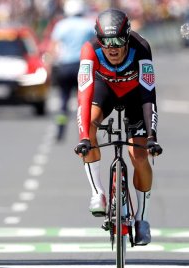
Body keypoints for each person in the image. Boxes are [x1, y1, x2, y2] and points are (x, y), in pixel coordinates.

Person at [74, 9, 163, 246]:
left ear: (127, 36)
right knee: (89, 126)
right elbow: (83, 94)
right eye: (106, 41)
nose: (112, 47)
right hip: (105, 91)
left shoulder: (141, 47)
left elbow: (148, 96)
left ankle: (142, 219)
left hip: (135, 96)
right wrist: (84, 136)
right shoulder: (89, 50)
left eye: (117, 41)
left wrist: (152, 135)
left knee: (139, 156)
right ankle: (98, 192)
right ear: (98, 39)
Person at [48, 0, 94, 141]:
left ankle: (60, 132)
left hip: (65, 67)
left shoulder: (61, 26)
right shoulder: (88, 25)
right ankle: (89, 132)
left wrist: (49, 68)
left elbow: (52, 48)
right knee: (85, 101)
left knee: (63, 101)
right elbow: (95, 46)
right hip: (83, 67)